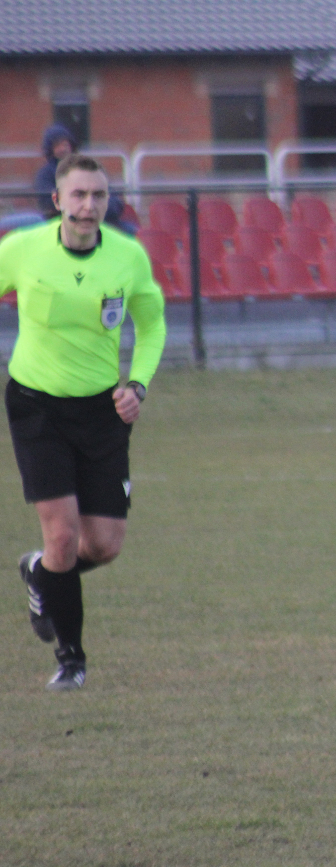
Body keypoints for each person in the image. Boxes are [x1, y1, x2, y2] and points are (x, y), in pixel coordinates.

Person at [2, 154, 166, 690]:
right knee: (66, 537)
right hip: (36, 407)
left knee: (104, 546)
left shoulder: (127, 257)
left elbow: (153, 324)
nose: (88, 205)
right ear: (57, 201)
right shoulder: (22, 249)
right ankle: (71, 661)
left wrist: (136, 384)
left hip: (100, 411)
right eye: (78, 195)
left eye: (98, 195)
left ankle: (40, 572)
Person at [33, 124, 136, 234]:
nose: (63, 149)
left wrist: (108, 209)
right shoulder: (45, 174)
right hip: (67, 225)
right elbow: (50, 201)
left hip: (104, 221)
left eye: (65, 144)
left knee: (132, 231)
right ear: (50, 149)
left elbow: (111, 195)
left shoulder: (87, 167)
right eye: (58, 145)